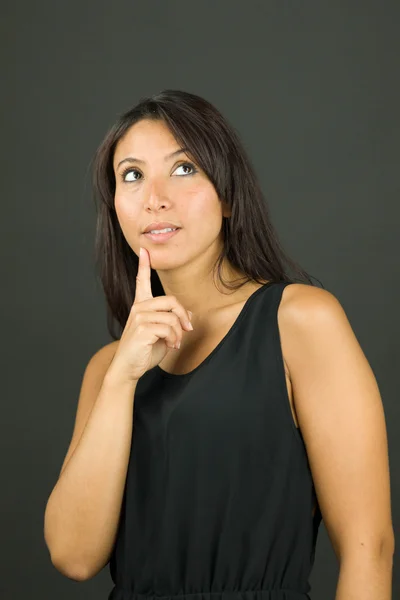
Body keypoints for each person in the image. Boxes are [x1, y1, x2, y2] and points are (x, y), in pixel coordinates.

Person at [44, 90, 394, 599]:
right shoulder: (108, 369)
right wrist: (122, 378)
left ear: (228, 195)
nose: (155, 196)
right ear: (115, 205)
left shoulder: (299, 322)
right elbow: (73, 556)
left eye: (183, 169)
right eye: (132, 175)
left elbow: (370, 547)